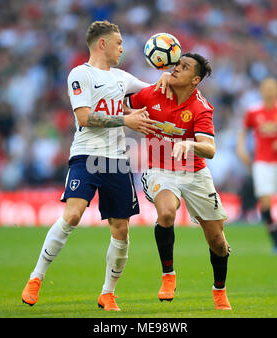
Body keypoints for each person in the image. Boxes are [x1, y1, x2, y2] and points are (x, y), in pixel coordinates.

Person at [21, 20, 171, 312]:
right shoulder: (81, 74)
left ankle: (107, 293)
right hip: (86, 155)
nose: (122, 48)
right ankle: (36, 278)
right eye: (119, 43)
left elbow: (152, 91)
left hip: (116, 161)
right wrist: (126, 120)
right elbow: (85, 118)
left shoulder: (122, 77)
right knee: (73, 214)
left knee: (121, 229)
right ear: (102, 44)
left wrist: (164, 79)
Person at [126, 53, 232, 310]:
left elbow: (210, 149)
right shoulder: (153, 93)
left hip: (195, 174)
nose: (176, 69)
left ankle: (219, 291)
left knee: (218, 242)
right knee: (166, 213)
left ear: (195, 80)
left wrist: (189, 143)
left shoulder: (201, 107)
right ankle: (168, 276)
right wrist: (130, 116)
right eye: (176, 65)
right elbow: (118, 102)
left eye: (184, 68)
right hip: (160, 169)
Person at [237, 78, 277, 254]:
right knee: (265, 200)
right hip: (262, 162)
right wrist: (241, 148)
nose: (269, 91)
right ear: (261, 90)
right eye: (266, 88)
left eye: (272, 88)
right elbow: (243, 132)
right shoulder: (253, 111)